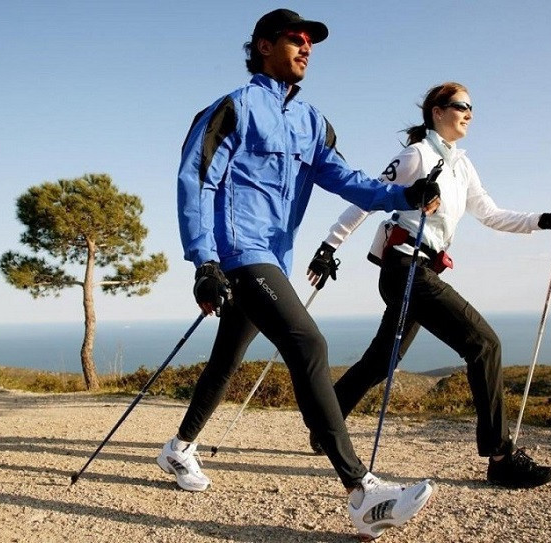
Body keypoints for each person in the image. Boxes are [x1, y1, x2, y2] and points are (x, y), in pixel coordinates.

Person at [158, 9, 439, 540]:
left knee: (225, 360)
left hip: (275, 259)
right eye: (296, 39)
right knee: (308, 343)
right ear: (264, 46)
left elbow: (345, 178)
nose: (306, 47)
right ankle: (361, 492)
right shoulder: (232, 109)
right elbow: (194, 180)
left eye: (311, 42)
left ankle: (179, 449)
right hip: (240, 255)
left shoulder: (313, 121)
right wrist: (203, 261)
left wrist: (403, 196)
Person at [307, 81, 551, 489]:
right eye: (460, 105)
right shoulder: (416, 155)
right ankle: (501, 457)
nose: (469, 112)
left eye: (471, 107)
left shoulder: (462, 165)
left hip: (423, 271)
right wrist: (329, 246)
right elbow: (368, 198)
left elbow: (490, 214)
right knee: (484, 344)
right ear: (437, 112)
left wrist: (545, 219)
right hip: (404, 269)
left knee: (383, 360)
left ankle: (324, 426)